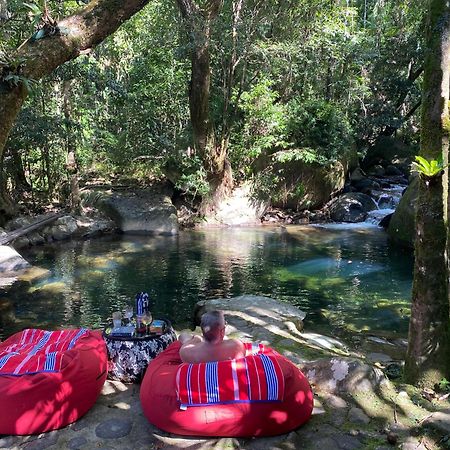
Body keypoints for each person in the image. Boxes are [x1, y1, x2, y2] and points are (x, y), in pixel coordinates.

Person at [178, 310, 245, 363]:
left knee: (184, 335)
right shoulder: (237, 346)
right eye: (225, 323)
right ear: (222, 331)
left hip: (200, 347)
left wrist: (196, 338)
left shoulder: (186, 351)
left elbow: (181, 337)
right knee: (225, 338)